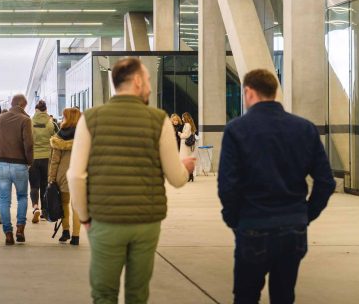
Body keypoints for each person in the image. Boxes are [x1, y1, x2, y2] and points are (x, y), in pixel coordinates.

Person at [67, 57, 195, 304]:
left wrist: (84, 217)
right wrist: (185, 168)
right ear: (137, 81)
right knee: (138, 294)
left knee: (104, 293)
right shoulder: (159, 120)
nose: (149, 85)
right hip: (145, 222)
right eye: (147, 80)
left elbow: (76, 175)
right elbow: (176, 179)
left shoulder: (91, 119)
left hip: (105, 220)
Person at [218, 69, 335, 304]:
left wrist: (234, 220)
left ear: (249, 92)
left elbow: (227, 186)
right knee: (284, 296)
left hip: (252, 224)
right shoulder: (304, 128)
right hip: (293, 226)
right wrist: (304, 214)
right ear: (274, 92)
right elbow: (325, 181)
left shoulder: (236, 130)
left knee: (246, 296)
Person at [0, 94, 34, 246]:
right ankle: (20, 229)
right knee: (22, 197)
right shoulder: (25, 120)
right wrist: (29, 161)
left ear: (12, 103)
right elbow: (28, 144)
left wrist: (1, 133)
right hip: (19, 165)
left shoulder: (1, 118)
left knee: (4, 199)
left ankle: (8, 233)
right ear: (23, 105)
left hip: (1, 164)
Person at [48, 107, 82, 246]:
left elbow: (55, 161)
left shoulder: (59, 137)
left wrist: (51, 178)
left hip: (64, 176)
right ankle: (76, 236)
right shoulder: (85, 136)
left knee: (64, 204)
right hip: (80, 175)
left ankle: (65, 231)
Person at [30, 100, 56, 223]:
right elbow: (56, 140)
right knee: (45, 185)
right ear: (46, 110)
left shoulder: (29, 122)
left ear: (36, 110)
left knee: (34, 185)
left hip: (33, 158)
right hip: (47, 158)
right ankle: (45, 211)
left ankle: (35, 207)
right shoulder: (51, 124)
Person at [178, 112, 197, 182]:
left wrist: (180, 134)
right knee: (188, 160)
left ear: (185, 118)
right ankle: (190, 175)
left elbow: (186, 135)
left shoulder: (187, 125)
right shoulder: (190, 124)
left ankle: (188, 176)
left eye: (183, 117)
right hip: (188, 145)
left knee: (184, 160)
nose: (182, 118)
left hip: (185, 145)